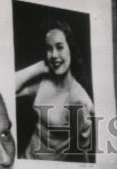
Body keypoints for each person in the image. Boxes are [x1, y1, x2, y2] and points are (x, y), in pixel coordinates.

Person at [15, 19, 95, 161]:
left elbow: (83, 153)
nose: (53, 55)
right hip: (24, 161)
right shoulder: (45, 82)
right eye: (49, 48)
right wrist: (39, 67)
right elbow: (5, 88)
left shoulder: (78, 100)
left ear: (71, 49)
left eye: (59, 47)